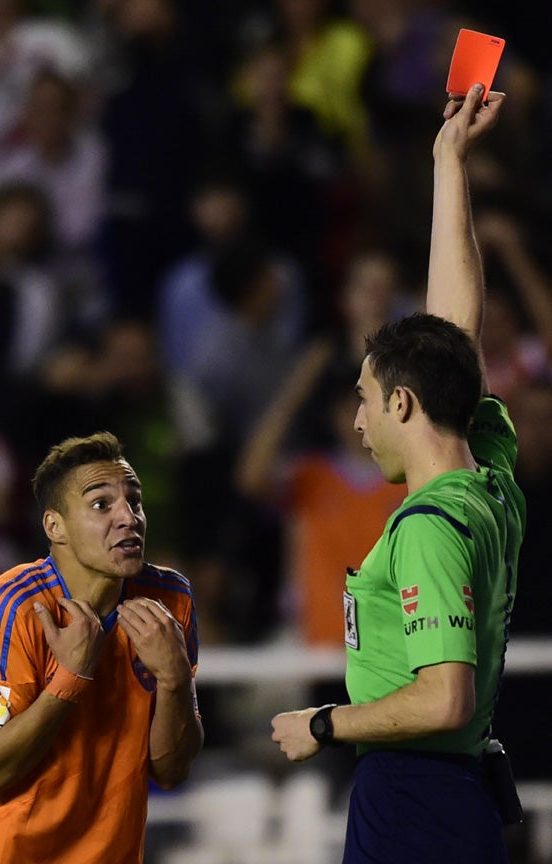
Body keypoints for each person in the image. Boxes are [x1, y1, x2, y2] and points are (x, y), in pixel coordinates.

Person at [271, 83, 522, 864]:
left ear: (404, 404)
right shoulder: (490, 476)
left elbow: (443, 695)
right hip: (450, 793)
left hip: (416, 794)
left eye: (366, 400)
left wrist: (323, 723)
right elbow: (455, 334)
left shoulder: (428, 529)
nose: (356, 421)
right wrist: (450, 162)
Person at [0, 430, 204, 864]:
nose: (128, 517)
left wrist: (174, 682)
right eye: (101, 504)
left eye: (134, 500)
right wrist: (69, 681)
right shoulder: (6, 612)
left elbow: (171, 771)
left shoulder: (171, 600)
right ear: (55, 526)